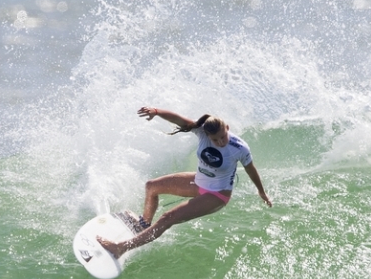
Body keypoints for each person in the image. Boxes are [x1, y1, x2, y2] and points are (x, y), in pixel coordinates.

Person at [97, 107, 272, 258]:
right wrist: (157, 112)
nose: (219, 142)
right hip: (198, 182)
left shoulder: (239, 148)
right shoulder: (202, 132)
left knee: (168, 218)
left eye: (222, 137)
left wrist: (261, 191)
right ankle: (143, 224)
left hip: (217, 195)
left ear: (227, 128)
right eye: (215, 139)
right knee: (151, 186)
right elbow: (179, 120)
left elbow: (251, 169)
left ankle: (120, 248)